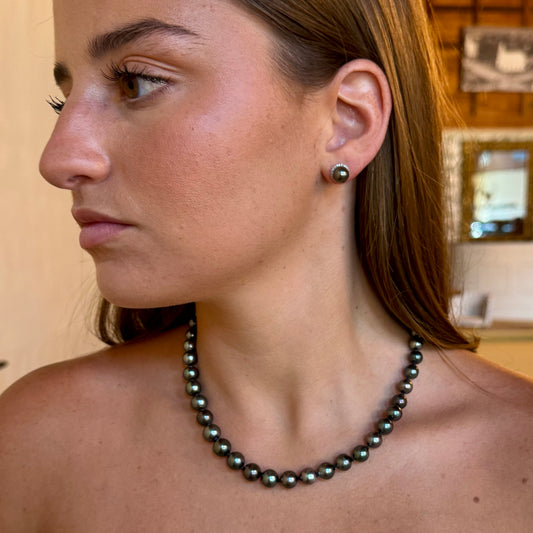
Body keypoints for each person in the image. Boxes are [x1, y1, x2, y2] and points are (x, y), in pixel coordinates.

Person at [1, 0, 532, 530]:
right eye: (62, 101)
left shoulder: (518, 463)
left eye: (136, 82)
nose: (58, 159)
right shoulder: (32, 444)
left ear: (347, 120)